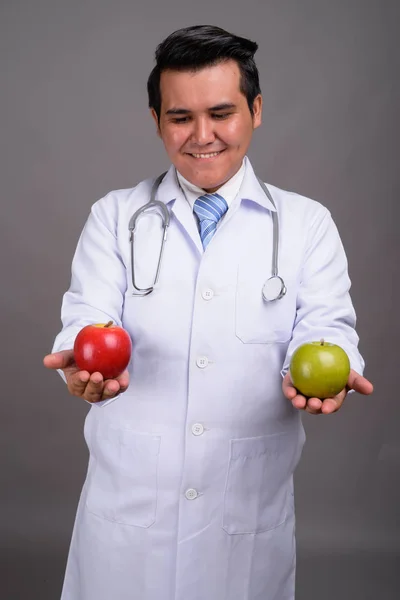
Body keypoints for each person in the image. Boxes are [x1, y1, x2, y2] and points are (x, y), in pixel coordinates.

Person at [44, 24, 373, 600]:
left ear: (256, 110)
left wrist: (330, 366)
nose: (202, 136)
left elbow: (325, 327)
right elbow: (88, 316)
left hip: (243, 517)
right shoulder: (115, 216)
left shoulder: (306, 225)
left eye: (222, 112)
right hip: (129, 519)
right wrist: (80, 360)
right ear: (156, 120)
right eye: (179, 118)